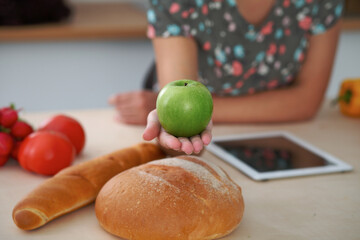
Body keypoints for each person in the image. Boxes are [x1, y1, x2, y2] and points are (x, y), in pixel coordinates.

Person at [108, 0, 343, 155]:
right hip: (212, 144)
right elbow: (181, 112)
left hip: (292, 140)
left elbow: (307, 102)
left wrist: (203, 113)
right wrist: (182, 122)